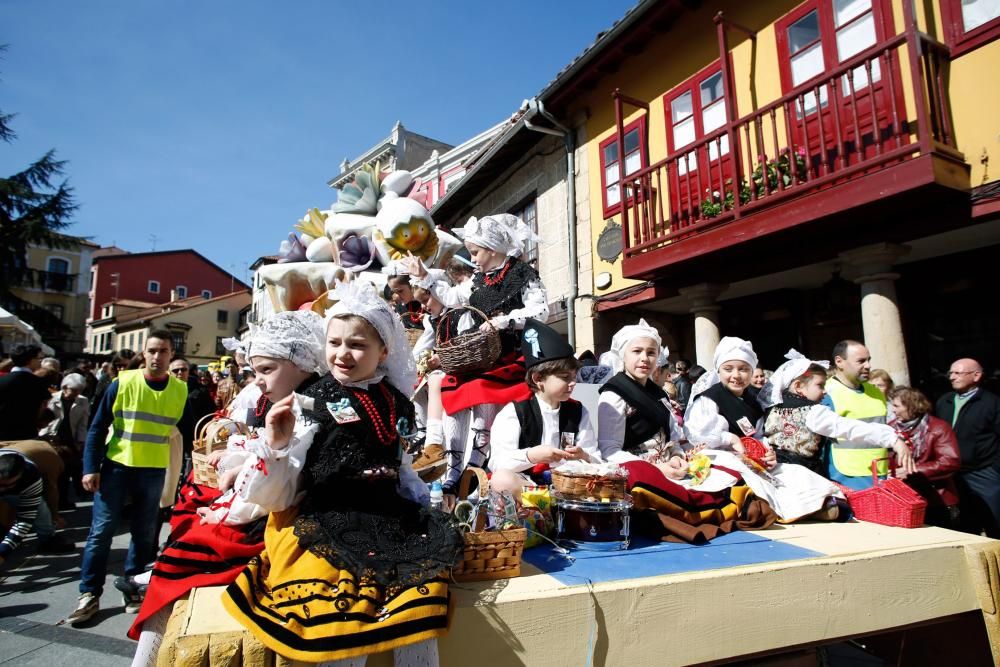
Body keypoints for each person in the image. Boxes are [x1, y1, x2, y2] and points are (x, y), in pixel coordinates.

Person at [222, 280, 463, 665]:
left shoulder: (396, 400)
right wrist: (278, 445)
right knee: (342, 623)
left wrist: (423, 498)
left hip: (389, 516)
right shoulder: (311, 398)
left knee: (421, 612)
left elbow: (401, 465)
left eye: (357, 345)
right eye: (334, 343)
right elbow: (277, 494)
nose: (342, 355)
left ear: (383, 350)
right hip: (328, 518)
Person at [127, 311, 325, 667]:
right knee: (185, 546)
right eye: (257, 372)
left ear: (300, 363)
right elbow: (259, 452)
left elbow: (274, 490)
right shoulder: (286, 402)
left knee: (192, 548)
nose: (259, 382)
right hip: (270, 508)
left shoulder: (307, 412)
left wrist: (226, 509)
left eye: (266, 370)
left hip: (284, 519)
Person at [405, 213, 548, 506]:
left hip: (509, 358)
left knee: (480, 392)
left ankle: (475, 464)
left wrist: (504, 321)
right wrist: (423, 275)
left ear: (492, 249)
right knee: (452, 386)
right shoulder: (478, 280)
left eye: (475, 252)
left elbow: (540, 312)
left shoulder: (523, 274)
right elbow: (452, 297)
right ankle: (453, 470)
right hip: (481, 358)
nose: (474, 259)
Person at [68, 330, 191, 625]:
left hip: (153, 469)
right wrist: (90, 467)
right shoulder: (122, 382)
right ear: (144, 353)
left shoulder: (180, 389)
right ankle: (89, 593)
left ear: (170, 355)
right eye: (152, 351)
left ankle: (132, 588)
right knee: (101, 532)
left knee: (144, 532)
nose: (157, 357)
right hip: (116, 466)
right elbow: (98, 427)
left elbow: (184, 432)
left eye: (163, 351)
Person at [685, 340, 846, 522]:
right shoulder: (710, 398)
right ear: (719, 370)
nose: (736, 375)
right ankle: (795, 509)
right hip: (721, 458)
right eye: (728, 369)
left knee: (793, 472)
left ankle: (817, 503)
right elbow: (699, 433)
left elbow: (760, 435)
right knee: (750, 480)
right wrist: (730, 439)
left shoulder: (753, 401)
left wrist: (766, 452)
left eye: (743, 369)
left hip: (752, 459)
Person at [490, 319, 599, 497]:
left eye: (574, 377)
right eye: (565, 377)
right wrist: (532, 456)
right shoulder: (515, 413)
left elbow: (595, 456)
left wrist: (584, 455)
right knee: (502, 479)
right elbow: (497, 463)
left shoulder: (578, 411)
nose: (572, 384)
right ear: (538, 378)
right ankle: (545, 509)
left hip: (569, 484)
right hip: (527, 486)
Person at [760, 350, 911, 477]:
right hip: (802, 476)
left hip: (775, 474)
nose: (824, 391)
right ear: (798, 386)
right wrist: (892, 439)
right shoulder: (814, 412)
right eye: (820, 385)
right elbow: (848, 427)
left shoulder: (773, 408)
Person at [597, 320, 686, 477]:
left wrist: (677, 456)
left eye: (651, 352)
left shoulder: (660, 393)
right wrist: (655, 469)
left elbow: (671, 438)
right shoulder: (614, 394)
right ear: (623, 355)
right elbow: (610, 451)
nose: (645, 358)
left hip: (669, 470)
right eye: (637, 351)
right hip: (637, 476)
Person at [936, 358, 1000, 537]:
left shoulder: (991, 403)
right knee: (965, 525)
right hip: (954, 474)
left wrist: (995, 469)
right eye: (950, 373)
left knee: (994, 522)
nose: (952, 377)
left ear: (976, 375)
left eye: (958, 373)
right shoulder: (944, 401)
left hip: (984, 473)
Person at [823, 339, 894, 490]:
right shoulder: (826, 393)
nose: (868, 366)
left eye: (868, 360)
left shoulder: (875, 392)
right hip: (845, 476)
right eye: (861, 361)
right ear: (839, 362)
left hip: (879, 472)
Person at [888, 386, 960, 528]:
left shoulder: (938, 428)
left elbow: (950, 461)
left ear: (911, 405)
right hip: (904, 498)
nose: (893, 410)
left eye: (897, 406)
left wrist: (913, 470)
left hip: (936, 499)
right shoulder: (891, 429)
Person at [0, 448, 75, 565]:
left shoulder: (31, 477)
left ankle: (48, 539)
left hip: (21, 491)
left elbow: (24, 521)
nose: (2, 489)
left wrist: (3, 553)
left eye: (7, 485)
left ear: (20, 476)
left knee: (40, 510)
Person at [40, 373, 91, 510]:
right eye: (74, 390)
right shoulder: (52, 398)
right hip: (51, 437)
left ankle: (62, 500)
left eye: (79, 390)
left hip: (69, 438)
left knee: (66, 471)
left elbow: (82, 423)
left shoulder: (83, 401)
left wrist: (81, 441)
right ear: (64, 387)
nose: (76, 393)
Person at [0, 344, 50, 441]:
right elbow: (41, 410)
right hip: (26, 436)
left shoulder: (2, 380)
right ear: (30, 360)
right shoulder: (38, 383)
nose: (40, 362)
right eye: (39, 359)